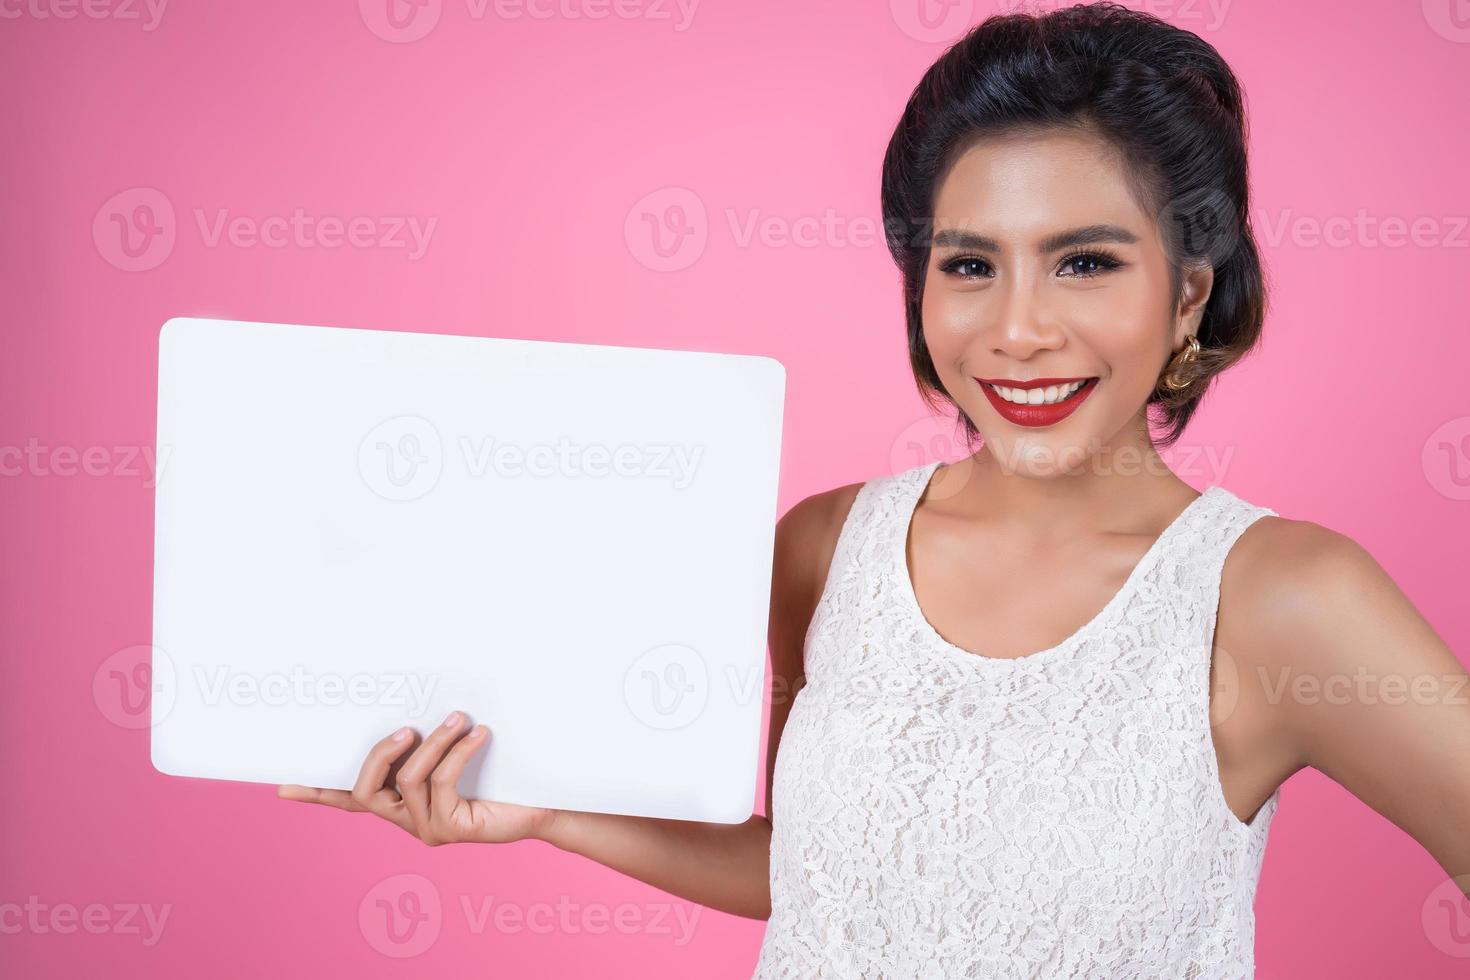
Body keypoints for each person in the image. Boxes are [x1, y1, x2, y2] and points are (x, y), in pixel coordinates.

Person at [278, 4, 1470, 976]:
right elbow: (805, 868)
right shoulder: (826, 544)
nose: (1016, 329)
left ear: (1191, 292)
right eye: (967, 265)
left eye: (1086, 261)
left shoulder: (1279, 597)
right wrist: (541, 812)